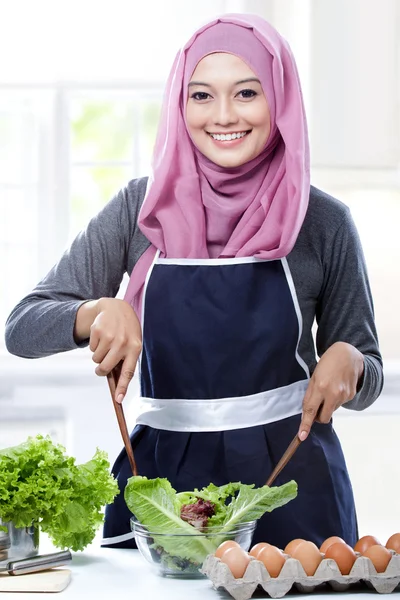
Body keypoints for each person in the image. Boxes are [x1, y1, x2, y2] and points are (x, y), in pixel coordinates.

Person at [5, 13, 383, 550]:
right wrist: (93, 313)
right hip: (164, 493)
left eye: (247, 92)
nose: (223, 115)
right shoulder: (139, 207)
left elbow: (368, 376)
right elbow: (21, 328)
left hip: (293, 488)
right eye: (201, 96)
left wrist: (352, 360)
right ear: (179, 106)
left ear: (280, 98)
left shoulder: (323, 222)